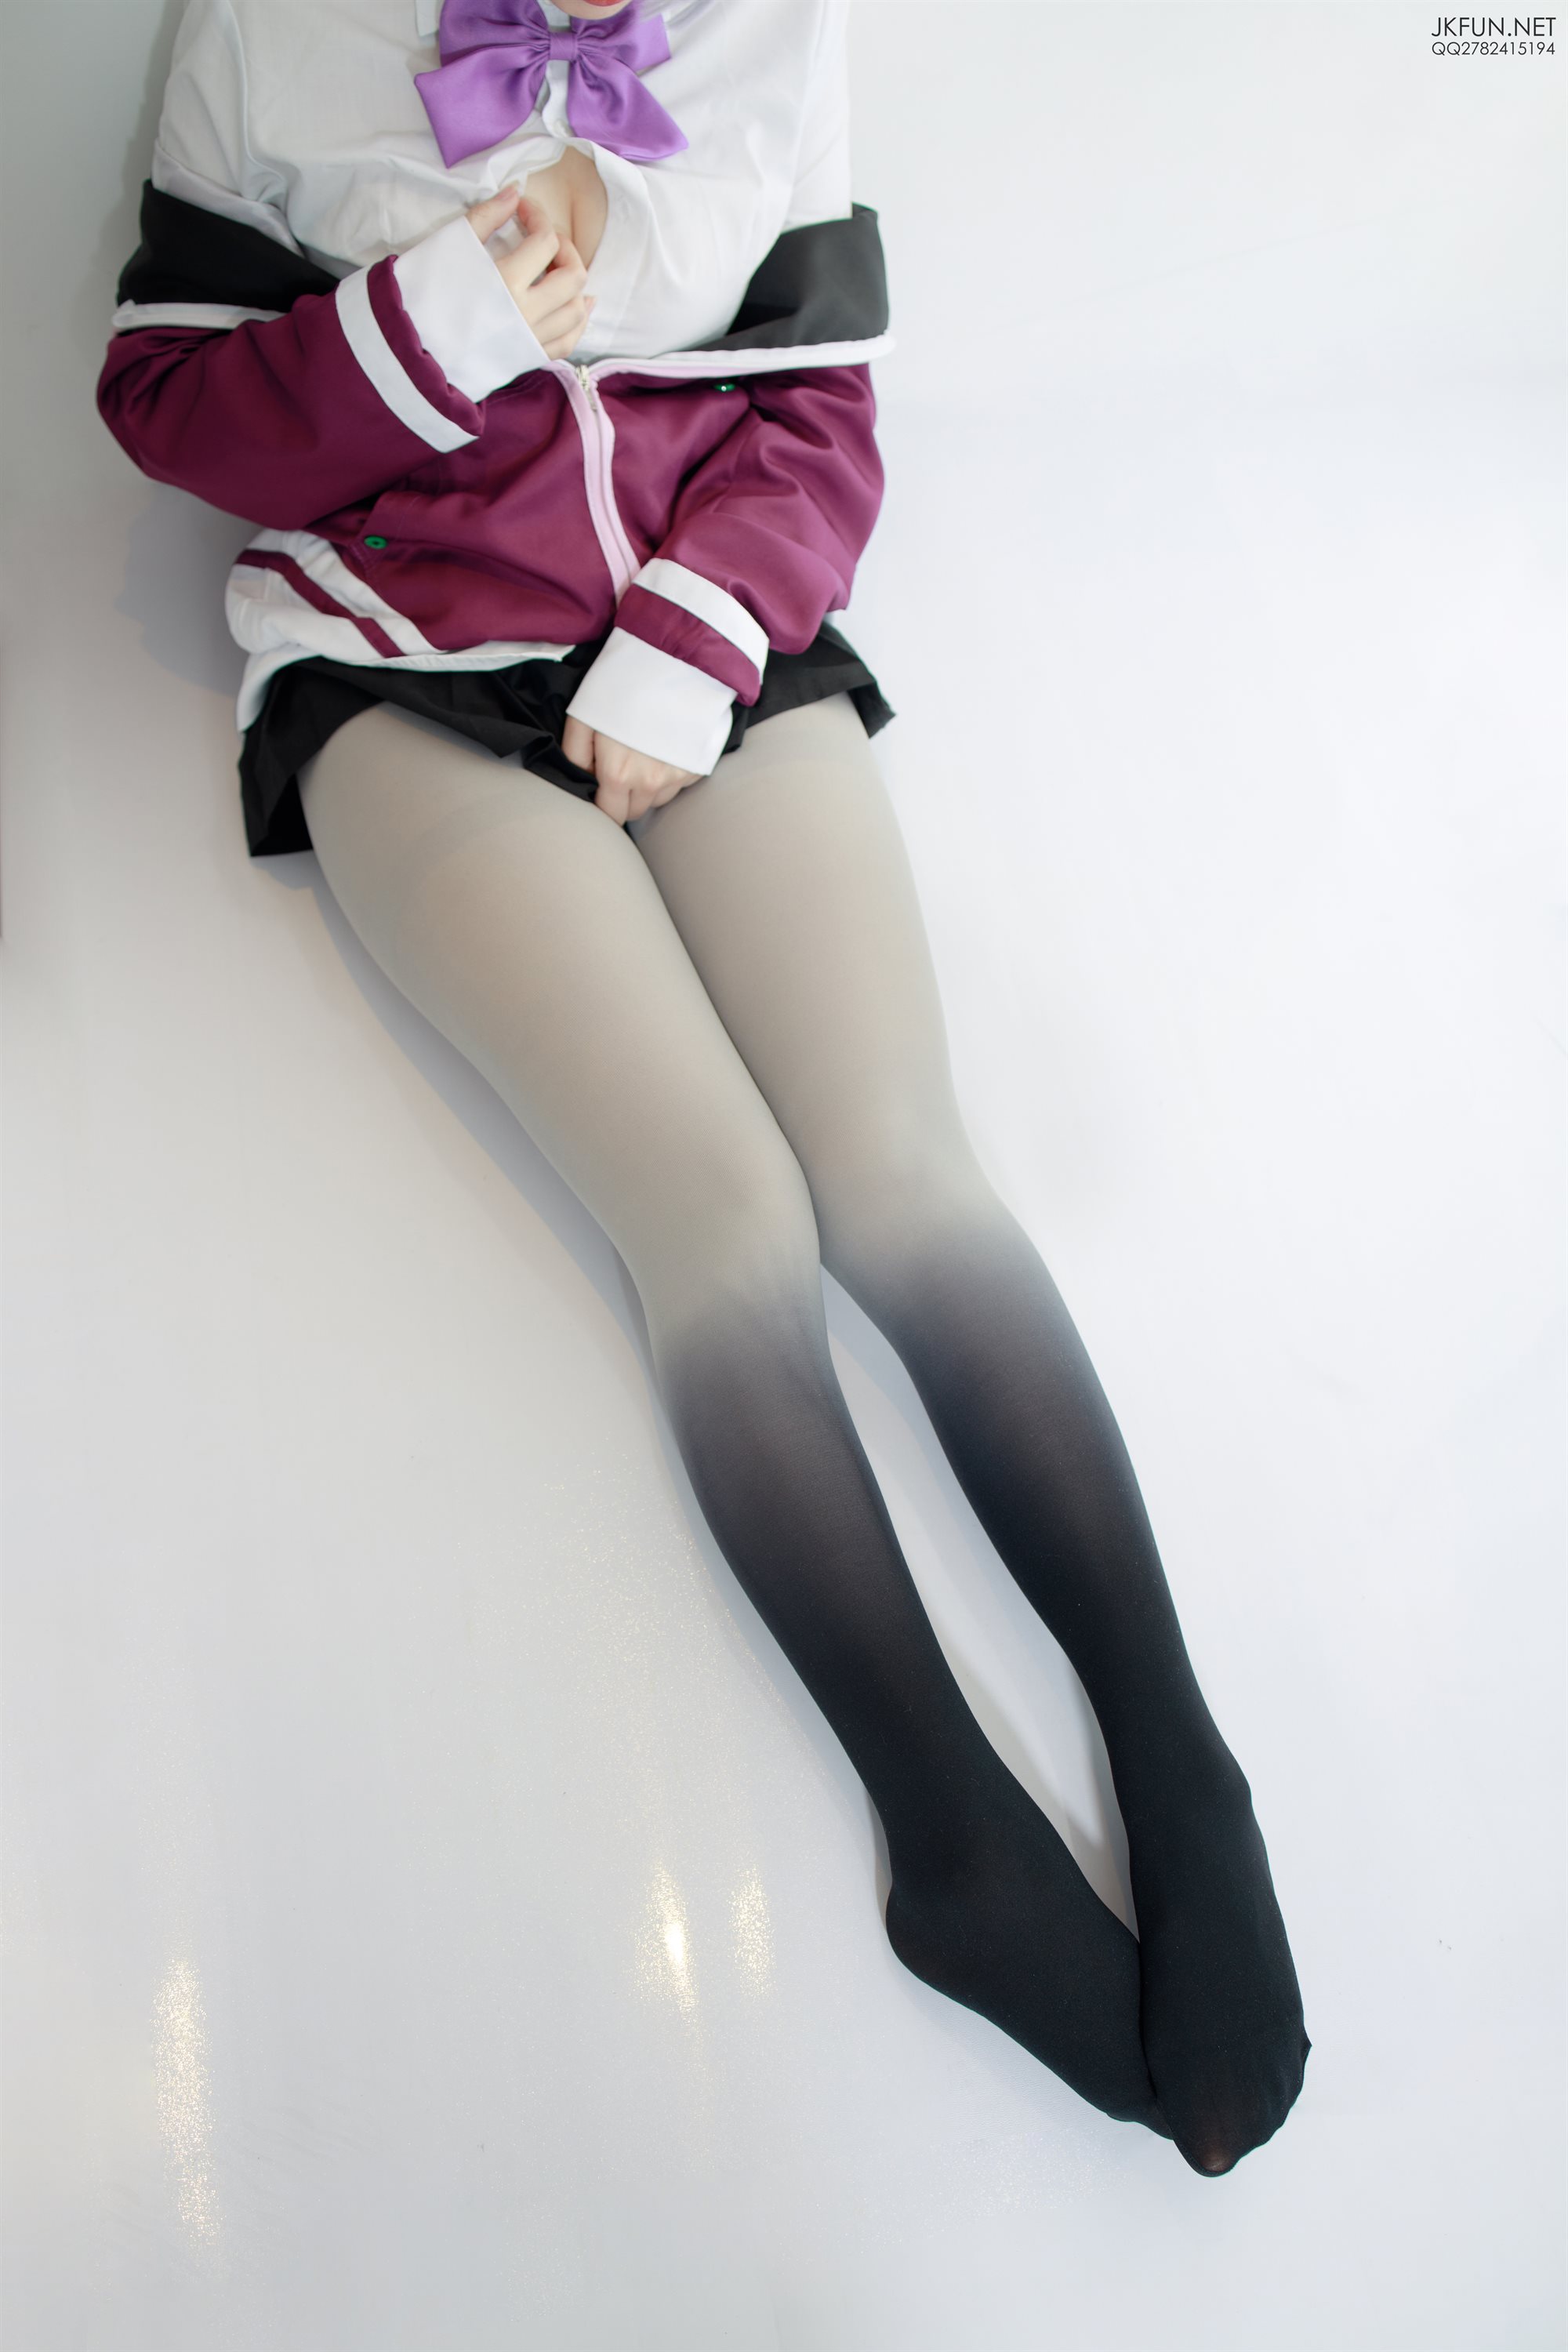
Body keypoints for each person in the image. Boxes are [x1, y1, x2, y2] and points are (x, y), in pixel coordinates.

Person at [97, 0, 1309, 2175]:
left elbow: (818, 397)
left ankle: (1179, 1758)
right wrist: (438, 322)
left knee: (903, 1180)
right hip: (397, 660)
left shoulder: (769, 23)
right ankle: (950, 1833)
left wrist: (698, 628)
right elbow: (173, 405)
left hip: (714, 637)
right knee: (725, 1223)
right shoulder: (266, 33)